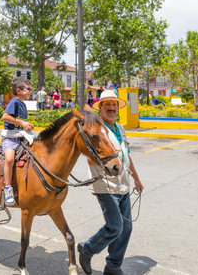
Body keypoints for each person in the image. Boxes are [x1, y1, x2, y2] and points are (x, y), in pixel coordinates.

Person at [77, 90, 144, 275]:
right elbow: (90, 153)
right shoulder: (96, 128)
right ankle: (87, 249)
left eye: (114, 105)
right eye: (108, 105)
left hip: (123, 184)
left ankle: (113, 267)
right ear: (101, 107)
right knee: (115, 226)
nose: (112, 108)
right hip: (105, 184)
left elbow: (126, 155)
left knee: (126, 227)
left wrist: (136, 178)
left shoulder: (120, 128)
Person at [1, 77, 34, 206]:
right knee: (9, 159)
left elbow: (21, 123)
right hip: (10, 137)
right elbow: (5, 117)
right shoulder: (14, 102)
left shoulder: (23, 104)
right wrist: (21, 122)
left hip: (21, 136)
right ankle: (8, 188)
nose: (30, 91)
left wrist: (27, 125)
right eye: (28, 89)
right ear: (19, 91)